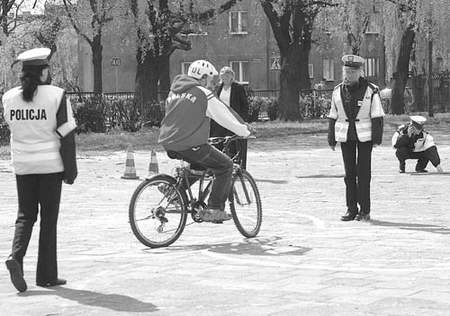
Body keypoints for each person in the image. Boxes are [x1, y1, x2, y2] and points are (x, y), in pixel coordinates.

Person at [2, 48, 77, 292]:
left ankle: (16, 256)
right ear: (43, 72)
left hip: (23, 166)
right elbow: (66, 135)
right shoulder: (57, 96)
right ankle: (46, 276)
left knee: (25, 215)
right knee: (48, 220)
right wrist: (70, 171)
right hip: (50, 166)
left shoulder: (8, 97)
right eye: (48, 69)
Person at [158, 60, 252, 223]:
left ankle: (174, 191)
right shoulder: (202, 92)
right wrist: (244, 131)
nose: (213, 83)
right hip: (190, 143)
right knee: (225, 166)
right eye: (211, 79)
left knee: (199, 165)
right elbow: (225, 117)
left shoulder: (173, 92)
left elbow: (181, 118)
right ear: (202, 77)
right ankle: (214, 208)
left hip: (168, 141)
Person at [327, 54, 385, 222]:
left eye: (353, 71)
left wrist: (377, 138)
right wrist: (332, 137)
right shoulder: (337, 90)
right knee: (349, 174)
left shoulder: (371, 90)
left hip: (365, 137)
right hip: (346, 136)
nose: (349, 75)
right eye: (347, 71)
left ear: (360, 72)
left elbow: (377, 115)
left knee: (364, 173)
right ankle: (351, 208)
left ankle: (365, 210)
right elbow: (333, 114)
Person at [210, 66, 249, 169]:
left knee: (234, 143)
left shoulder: (238, 87)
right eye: (222, 76)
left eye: (226, 76)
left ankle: (237, 167)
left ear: (231, 76)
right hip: (220, 120)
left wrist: (243, 120)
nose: (224, 78)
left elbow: (245, 105)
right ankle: (218, 167)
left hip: (234, 119)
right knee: (218, 142)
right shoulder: (218, 87)